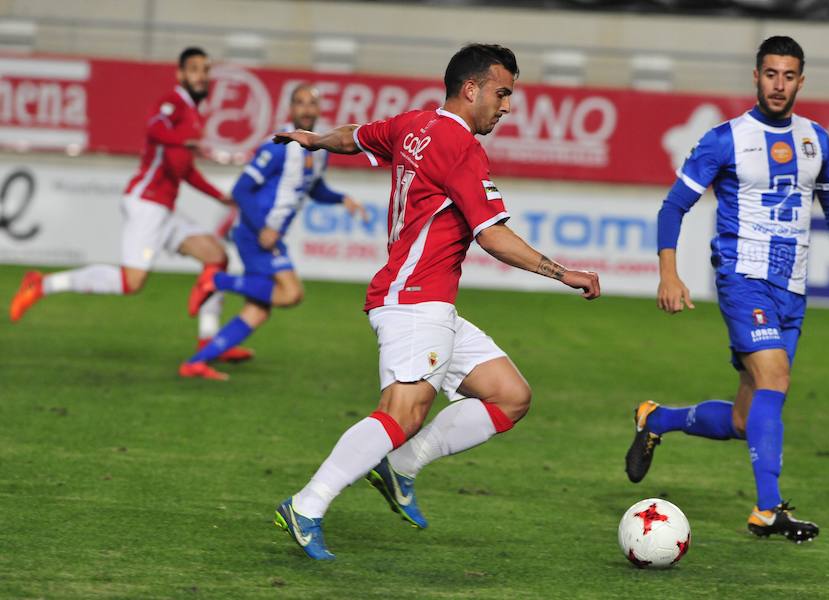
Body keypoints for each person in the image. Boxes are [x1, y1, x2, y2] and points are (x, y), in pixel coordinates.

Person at [270, 43, 600, 560]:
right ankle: (307, 504)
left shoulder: (414, 124)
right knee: (403, 412)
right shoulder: (460, 146)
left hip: (430, 304)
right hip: (413, 302)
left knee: (510, 396)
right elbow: (493, 236)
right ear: (471, 89)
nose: (507, 105)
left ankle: (400, 465)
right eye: (502, 92)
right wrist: (563, 273)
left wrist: (314, 140)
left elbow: (353, 138)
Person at [625, 36, 829, 543]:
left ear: (801, 80)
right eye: (770, 74)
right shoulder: (726, 139)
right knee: (776, 381)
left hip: (793, 289)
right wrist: (668, 272)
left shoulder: (817, 141)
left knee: (746, 420)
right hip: (743, 280)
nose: (779, 84)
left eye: (788, 76)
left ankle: (657, 419)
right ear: (756, 77)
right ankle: (768, 510)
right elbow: (673, 206)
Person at [9, 47, 251, 362]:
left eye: (205, 70)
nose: (201, 76)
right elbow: (155, 127)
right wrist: (184, 138)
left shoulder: (192, 112)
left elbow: (185, 170)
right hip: (146, 203)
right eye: (193, 69)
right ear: (180, 74)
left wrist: (221, 196)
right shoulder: (175, 102)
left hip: (164, 209)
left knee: (216, 258)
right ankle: (42, 284)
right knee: (130, 282)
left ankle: (208, 343)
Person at [180, 84, 368, 380]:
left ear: (319, 110)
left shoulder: (320, 147)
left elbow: (314, 187)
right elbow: (241, 189)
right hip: (255, 233)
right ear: (291, 110)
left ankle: (196, 362)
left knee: (258, 311)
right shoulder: (277, 146)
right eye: (300, 103)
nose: (306, 109)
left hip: (268, 234)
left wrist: (341, 198)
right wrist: (263, 227)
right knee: (291, 293)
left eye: (312, 103)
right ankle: (216, 279)